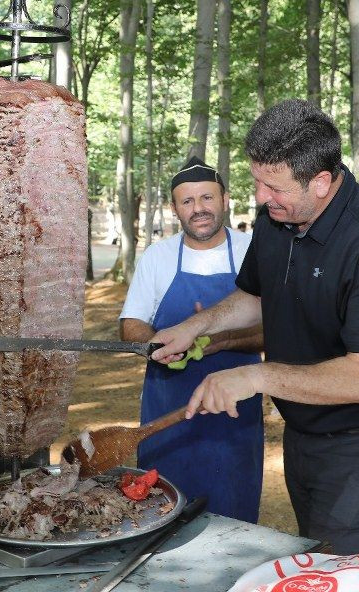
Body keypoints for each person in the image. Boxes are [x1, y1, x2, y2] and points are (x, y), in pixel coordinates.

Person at [149, 101, 359, 592]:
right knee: (316, 562)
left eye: (274, 186)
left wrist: (256, 376)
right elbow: (256, 296)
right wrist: (198, 328)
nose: (261, 197)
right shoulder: (277, 218)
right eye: (258, 181)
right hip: (308, 431)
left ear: (321, 181)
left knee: (340, 579)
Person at [119, 156, 264, 523]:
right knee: (159, 510)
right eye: (187, 201)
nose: (198, 209)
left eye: (207, 198)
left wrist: (222, 339)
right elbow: (131, 324)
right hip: (167, 409)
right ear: (175, 209)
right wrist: (156, 345)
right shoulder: (158, 256)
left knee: (233, 513)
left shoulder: (256, 250)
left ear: (225, 199)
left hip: (234, 412)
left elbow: (277, 330)